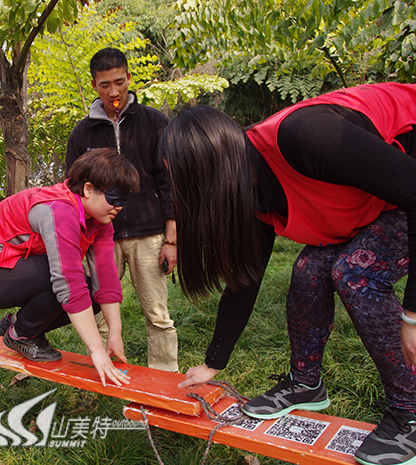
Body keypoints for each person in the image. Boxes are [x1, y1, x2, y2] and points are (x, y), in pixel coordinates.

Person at [163, 83, 416, 465]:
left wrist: (413, 315)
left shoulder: (304, 137)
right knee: (308, 269)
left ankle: (409, 410)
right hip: (390, 198)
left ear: (208, 173)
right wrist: (215, 360)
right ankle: (305, 383)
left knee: (354, 273)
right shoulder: (251, 188)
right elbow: (245, 277)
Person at [0, 148, 139, 387]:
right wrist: (97, 351)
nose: (120, 207)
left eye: (124, 200)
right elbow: (68, 282)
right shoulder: (59, 210)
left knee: (91, 290)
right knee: (69, 280)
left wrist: (115, 333)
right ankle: (20, 333)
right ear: (87, 189)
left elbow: (106, 276)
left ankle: (19, 327)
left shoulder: (101, 220)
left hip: (18, 269)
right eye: (115, 198)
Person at [65, 48, 179, 372]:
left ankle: (164, 380)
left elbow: (169, 181)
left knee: (157, 314)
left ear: (129, 77)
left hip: (149, 233)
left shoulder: (155, 122)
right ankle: (110, 372)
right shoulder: (82, 133)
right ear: (93, 85)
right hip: (101, 237)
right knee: (99, 312)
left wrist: (171, 239)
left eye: (119, 82)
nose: (113, 92)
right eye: (104, 85)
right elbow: (74, 190)